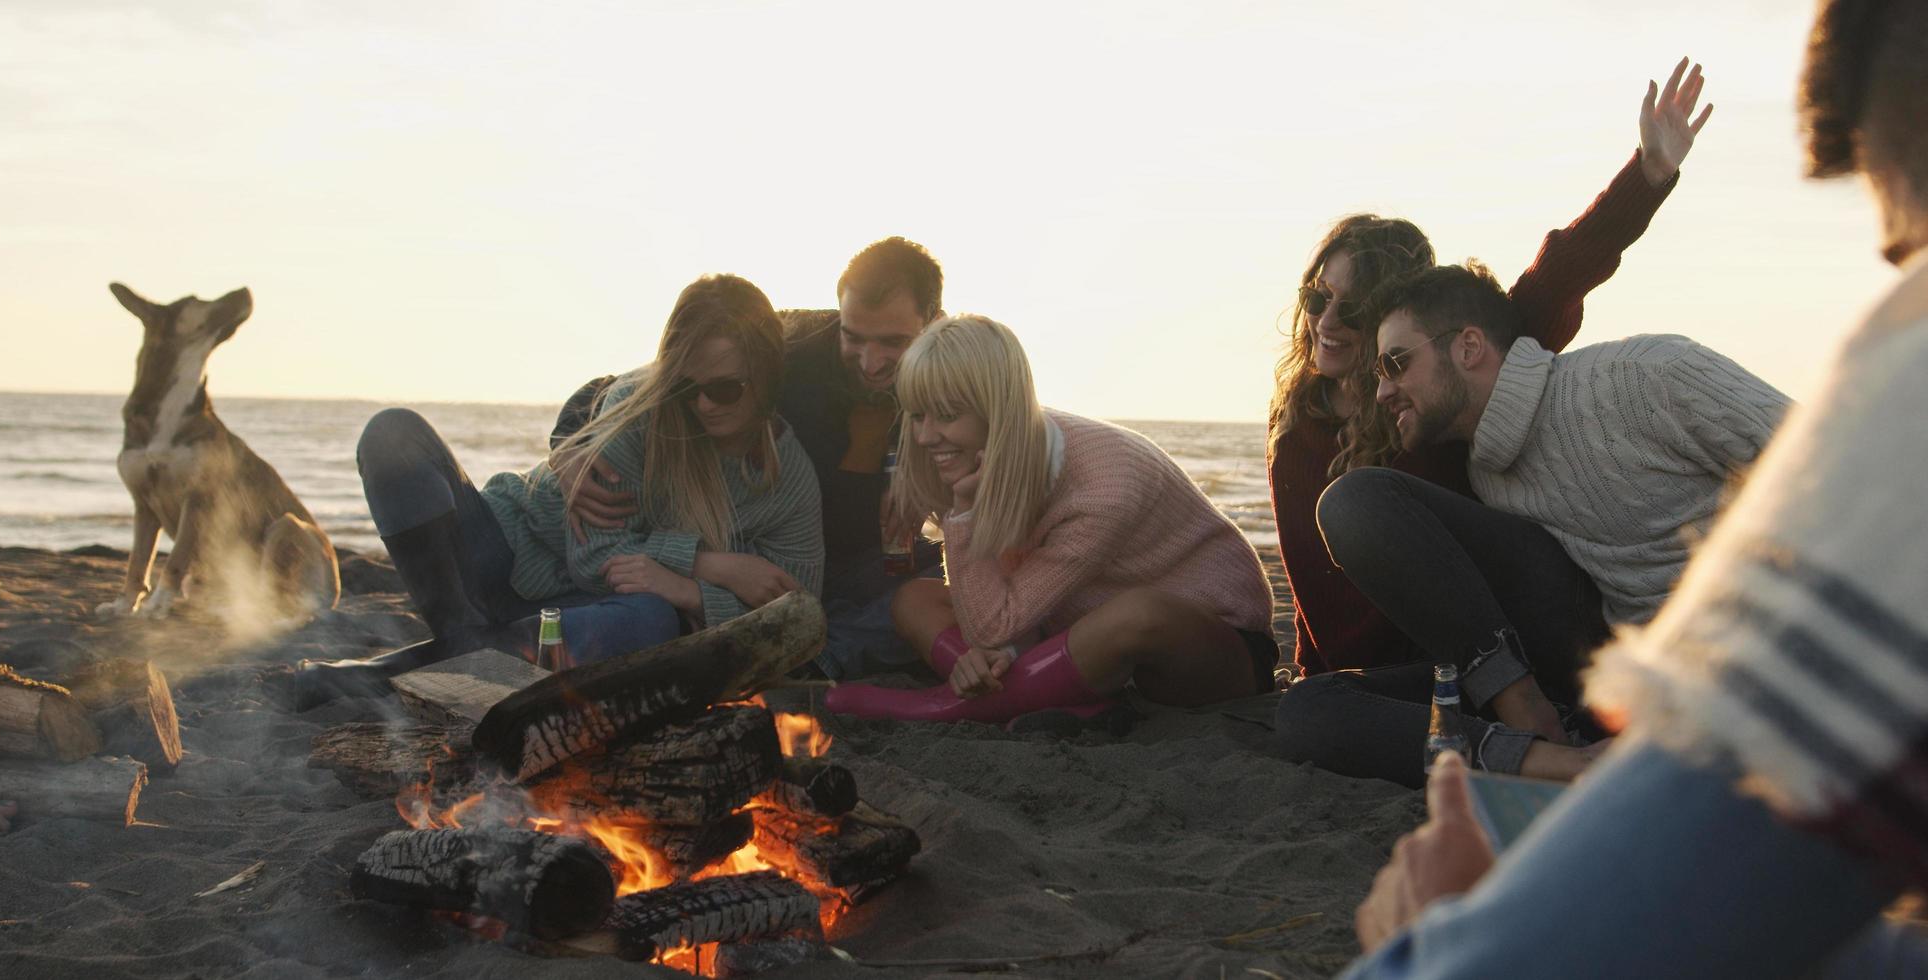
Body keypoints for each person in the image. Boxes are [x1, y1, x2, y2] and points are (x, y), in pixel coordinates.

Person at [1341, 6, 1928, 972]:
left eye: (1906, 251)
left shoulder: (1671, 382)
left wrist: (1433, 930)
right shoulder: (1466, 466)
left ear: (1471, 349)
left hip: (1746, 707)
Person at [1278, 259, 1789, 785]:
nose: (1382, 392)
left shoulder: (1647, 374)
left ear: (1468, 347)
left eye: (1395, 364)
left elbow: (1839, 464)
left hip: (1747, 679)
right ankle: (1556, 761)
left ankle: (1546, 733)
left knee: (1355, 498)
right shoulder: (1480, 471)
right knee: (1309, 710)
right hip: (1595, 691)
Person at [288, 274, 822, 703]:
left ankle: (428, 662)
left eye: (725, 389)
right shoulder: (640, 406)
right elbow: (597, 558)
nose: (703, 405)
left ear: (766, 378)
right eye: (686, 387)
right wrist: (710, 565)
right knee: (391, 434)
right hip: (497, 553)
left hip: (581, 617)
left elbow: (798, 614)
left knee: (652, 621)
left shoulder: (788, 480)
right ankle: (461, 641)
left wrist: (682, 589)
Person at [823, 315, 1278, 725]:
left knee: (1140, 613)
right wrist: (979, 657)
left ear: (996, 409)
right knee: (913, 600)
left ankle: (946, 705)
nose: (924, 436)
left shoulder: (1105, 485)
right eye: (917, 415)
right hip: (1067, 623)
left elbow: (993, 625)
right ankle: (1043, 694)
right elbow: (995, 614)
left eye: (945, 415)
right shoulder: (964, 458)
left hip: (1210, 645)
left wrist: (963, 514)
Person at [555, 238, 948, 680]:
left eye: (893, 342)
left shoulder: (955, 369)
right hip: (767, 551)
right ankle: (812, 656)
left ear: (933, 323)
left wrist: (927, 480)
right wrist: (569, 443)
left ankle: (817, 657)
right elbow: (641, 383)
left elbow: (999, 457)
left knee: (945, 583)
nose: (871, 361)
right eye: (853, 337)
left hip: (864, 561)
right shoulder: (792, 342)